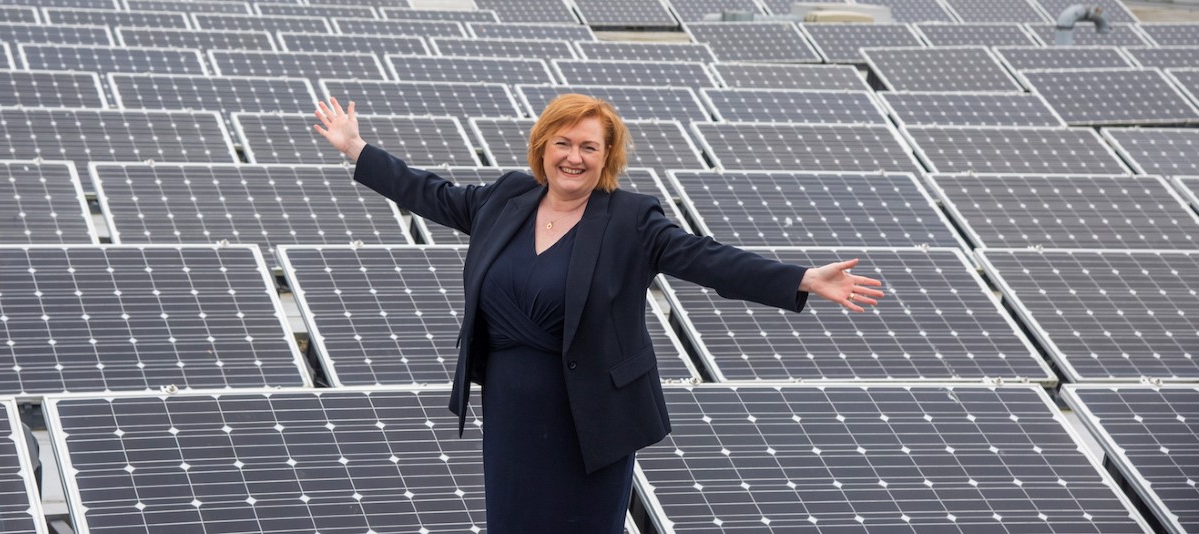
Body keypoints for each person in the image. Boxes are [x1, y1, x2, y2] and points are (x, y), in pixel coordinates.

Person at [313, 94, 884, 532]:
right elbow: (429, 193)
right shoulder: (505, 198)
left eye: (589, 147)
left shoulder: (631, 220)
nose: (574, 157)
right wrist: (357, 149)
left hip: (593, 414)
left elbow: (707, 259)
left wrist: (802, 279)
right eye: (563, 143)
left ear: (607, 156)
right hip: (512, 404)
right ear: (542, 147)